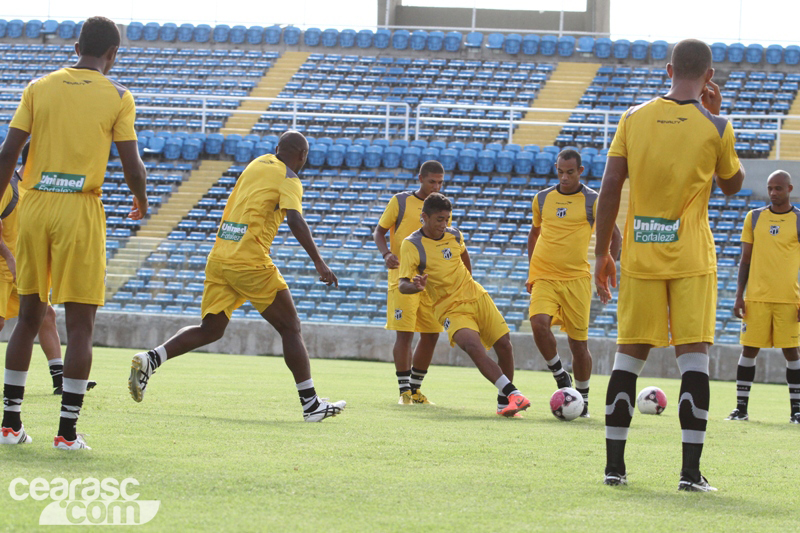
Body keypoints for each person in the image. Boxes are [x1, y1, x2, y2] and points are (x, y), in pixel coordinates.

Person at [595, 39, 744, 491]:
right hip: (691, 259)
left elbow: (610, 186)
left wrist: (601, 253)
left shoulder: (632, 118)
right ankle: (689, 475)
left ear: (668, 69)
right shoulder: (716, 125)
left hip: (641, 255)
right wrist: (716, 115)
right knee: (694, 360)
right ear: (709, 76)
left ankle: (615, 470)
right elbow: (733, 185)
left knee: (627, 359)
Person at [0, 16, 148, 450]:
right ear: (112, 54)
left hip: (34, 206)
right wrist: (140, 197)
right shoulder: (118, 95)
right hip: (80, 209)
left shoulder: (38, 87)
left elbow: (9, 153)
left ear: (76, 46)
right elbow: (132, 165)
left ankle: (9, 425)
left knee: (28, 318)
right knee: (80, 325)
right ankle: (66, 433)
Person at [128, 131, 346, 423]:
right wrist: (319, 262)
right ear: (303, 155)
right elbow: (295, 219)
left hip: (220, 255)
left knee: (211, 329)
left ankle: (151, 359)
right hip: (249, 260)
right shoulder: (290, 178)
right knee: (291, 327)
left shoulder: (257, 163)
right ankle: (311, 405)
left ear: (276, 148)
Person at [398, 193, 530, 417]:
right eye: (439, 219)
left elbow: (464, 256)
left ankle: (503, 405)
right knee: (472, 346)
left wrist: (468, 282)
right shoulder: (412, 244)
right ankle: (513, 393)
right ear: (424, 217)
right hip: (449, 307)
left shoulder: (455, 235)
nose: (444, 224)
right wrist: (416, 286)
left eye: (447, 219)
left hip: (476, 296)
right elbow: (402, 285)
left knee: (505, 345)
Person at [527, 149, 620, 417]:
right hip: (545, 276)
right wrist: (531, 271)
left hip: (576, 280)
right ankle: (560, 375)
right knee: (538, 323)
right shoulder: (542, 198)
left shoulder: (593, 200)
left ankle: (584, 400)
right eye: (560, 172)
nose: (564, 177)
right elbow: (534, 234)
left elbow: (616, 237)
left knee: (578, 345)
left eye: (570, 172)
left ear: (580, 171)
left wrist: (605, 271)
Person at [0, 143, 96, 396]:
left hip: (25, 267)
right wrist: (9, 258)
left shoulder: (39, 190)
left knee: (45, 316)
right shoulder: (9, 186)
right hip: (3, 267)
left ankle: (59, 380)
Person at [727, 171, 800, 423]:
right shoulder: (755, 217)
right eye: (770, 188)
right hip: (756, 298)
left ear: (789, 189)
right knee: (749, 350)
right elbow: (745, 260)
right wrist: (739, 295)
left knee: (792, 352)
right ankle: (741, 409)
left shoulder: (799, 219)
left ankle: (796, 412)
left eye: (778, 188)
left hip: (788, 299)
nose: (773, 192)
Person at [374, 160, 445, 405]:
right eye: (432, 181)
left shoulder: (441, 206)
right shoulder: (401, 201)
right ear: (420, 179)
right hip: (402, 277)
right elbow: (379, 231)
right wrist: (386, 254)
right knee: (405, 334)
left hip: (430, 280)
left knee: (431, 334)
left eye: (440, 182)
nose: (436, 186)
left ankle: (415, 390)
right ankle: (404, 391)